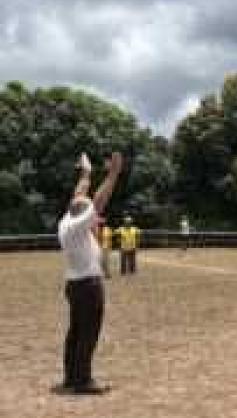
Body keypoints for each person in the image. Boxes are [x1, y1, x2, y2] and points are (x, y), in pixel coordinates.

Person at [56, 152, 122, 395]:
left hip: (75, 285)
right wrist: (113, 174)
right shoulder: (76, 225)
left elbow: (79, 197)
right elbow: (99, 200)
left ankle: (71, 377)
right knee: (88, 333)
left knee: (75, 332)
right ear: (84, 215)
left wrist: (86, 172)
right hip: (88, 286)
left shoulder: (66, 222)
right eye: (91, 216)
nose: (96, 219)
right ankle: (83, 381)